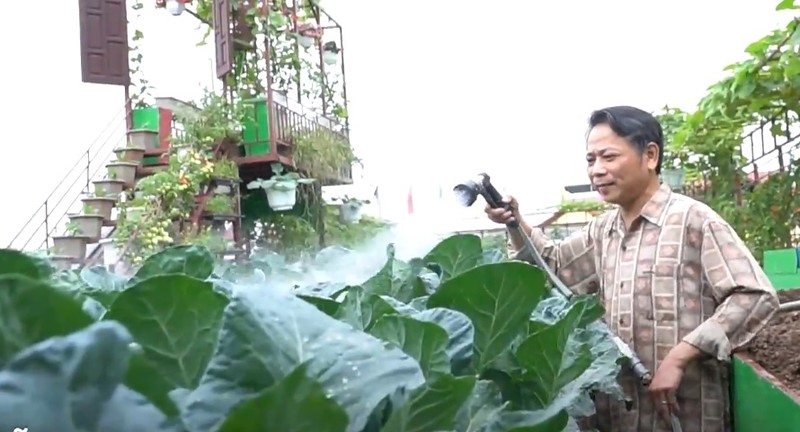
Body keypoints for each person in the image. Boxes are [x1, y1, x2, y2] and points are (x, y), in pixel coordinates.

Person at [486, 106, 779, 432]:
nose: (597, 170)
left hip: (684, 412)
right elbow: (551, 269)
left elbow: (754, 295)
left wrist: (682, 355)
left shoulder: (693, 221)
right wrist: (515, 222)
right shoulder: (602, 231)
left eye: (608, 157)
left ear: (650, 155)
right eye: (590, 160)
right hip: (618, 414)